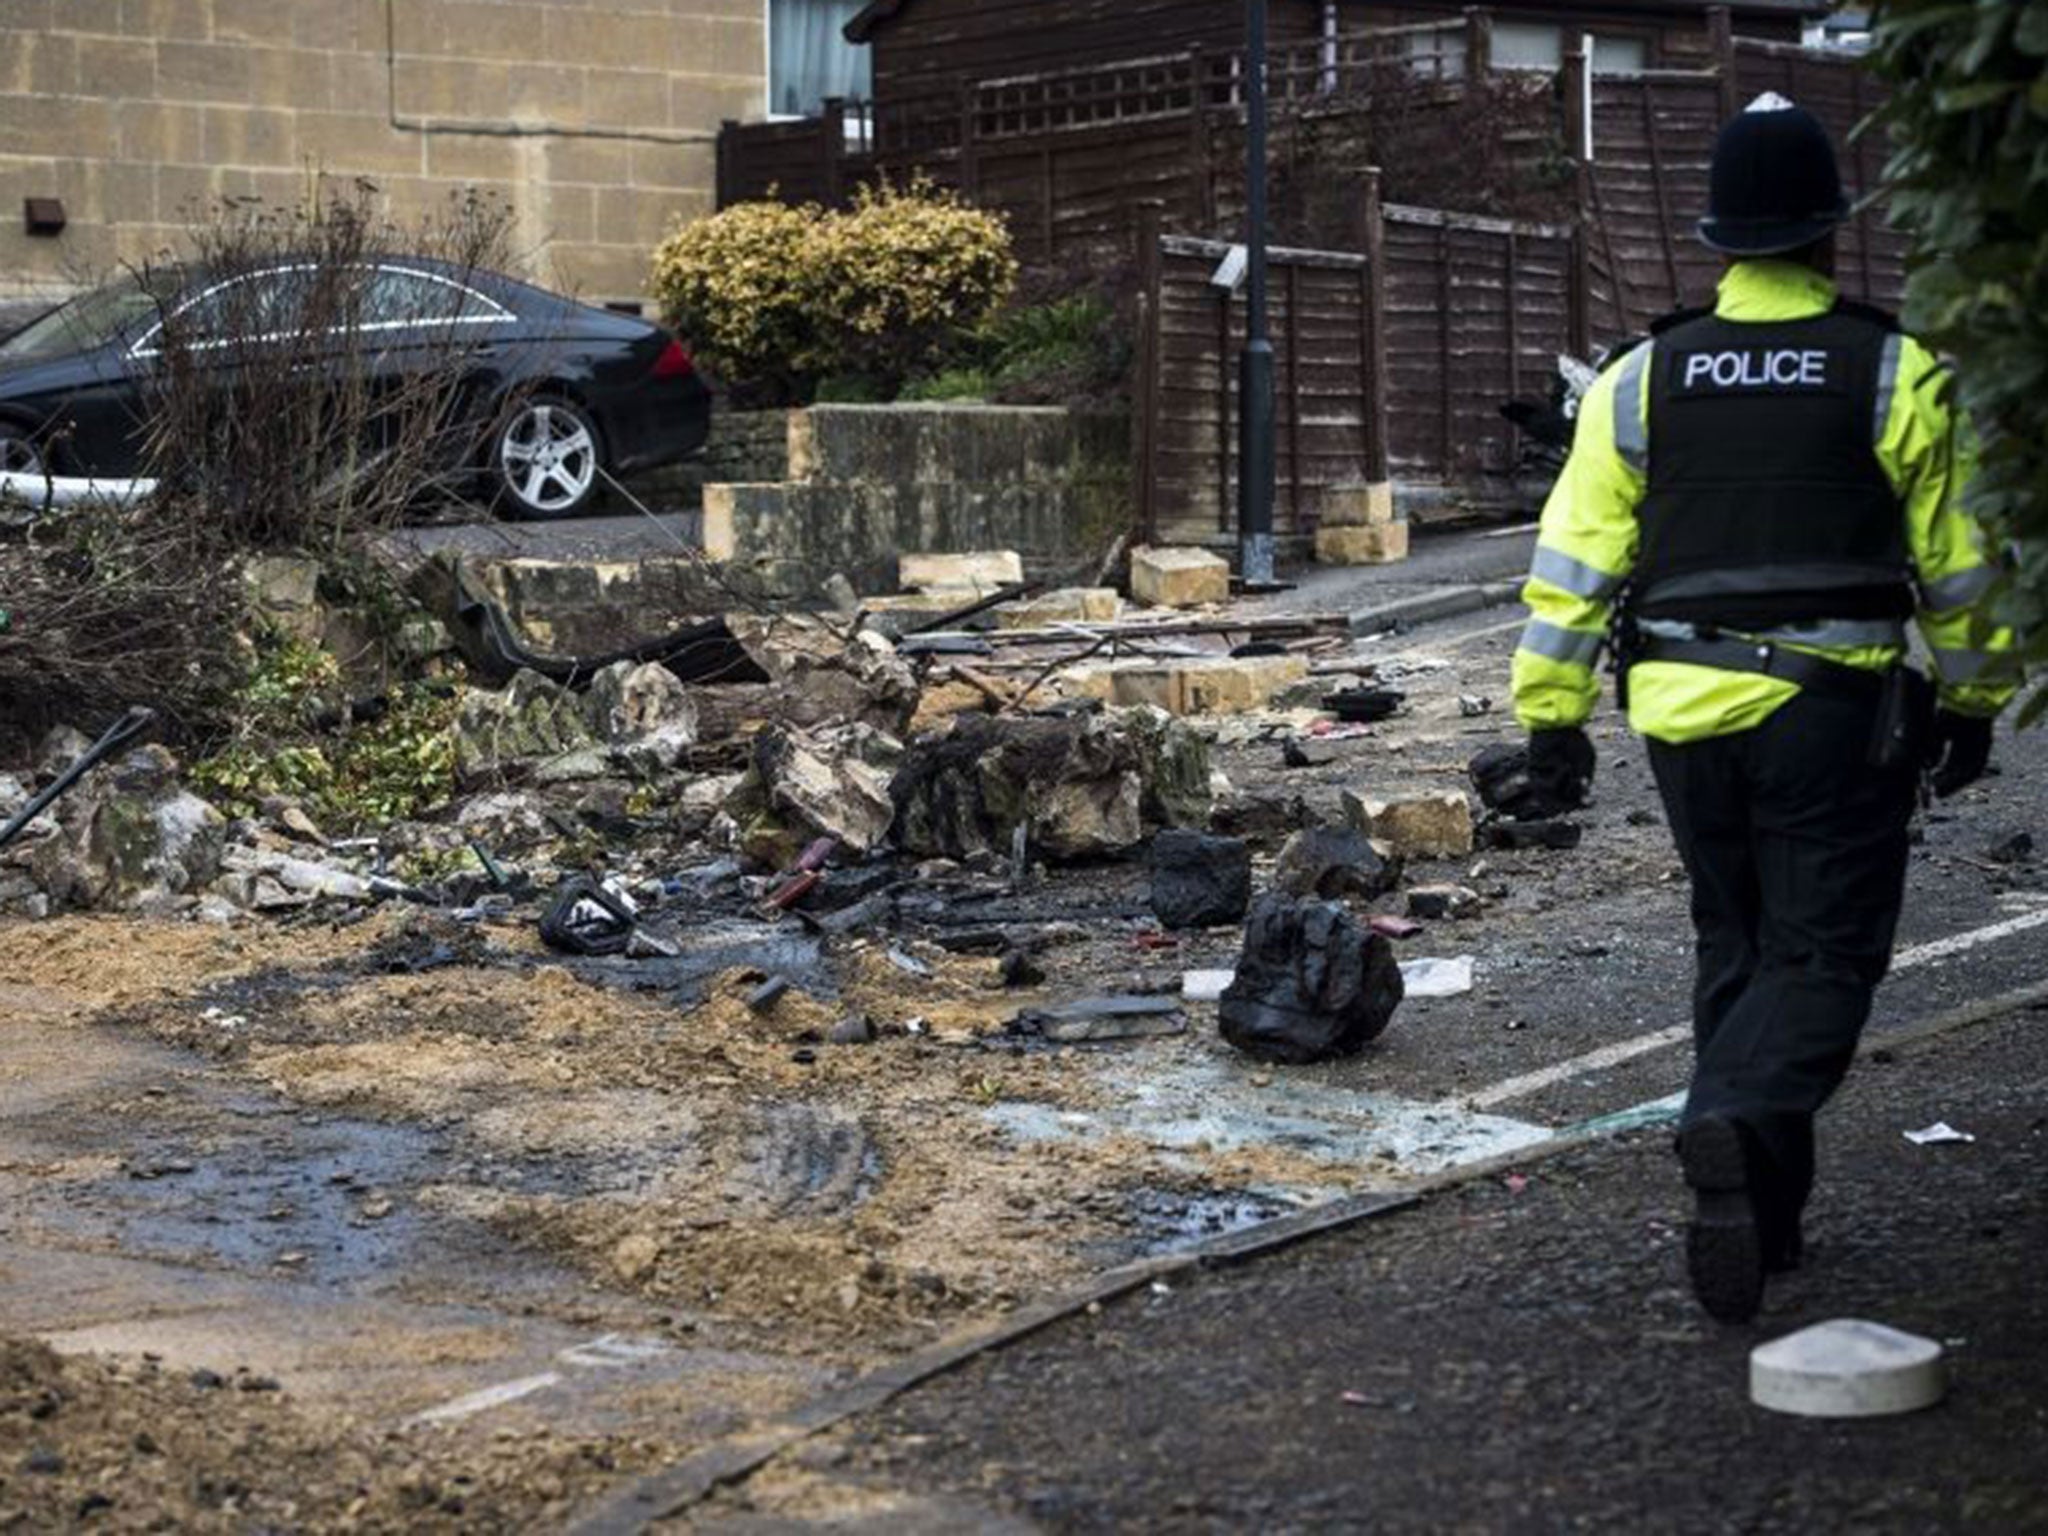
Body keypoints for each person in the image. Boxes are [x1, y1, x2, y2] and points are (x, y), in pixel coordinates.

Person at [1508, 94, 2019, 1323]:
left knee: (1734, 945)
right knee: (1825, 952)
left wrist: (1550, 717)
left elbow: (1571, 558)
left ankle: (1760, 1220)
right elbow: (1958, 566)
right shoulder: (1893, 369)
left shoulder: (1639, 379)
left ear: (1718, 239)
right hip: (1829, 716)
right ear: (1828, 232)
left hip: (1677, 712)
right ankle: (1729, 1120)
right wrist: (1972, 695)